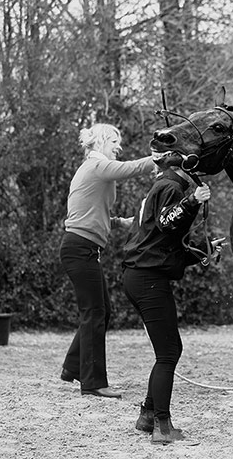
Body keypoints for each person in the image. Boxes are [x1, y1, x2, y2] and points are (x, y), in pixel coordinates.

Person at [121, 148, 226, 444]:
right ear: (185, 166)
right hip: (147, 279)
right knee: (168, 353)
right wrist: (193, 200)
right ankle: (162, 427)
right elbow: (169, 221)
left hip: (139, 276)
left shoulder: (162, 186)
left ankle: (147, 415)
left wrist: (205, 249)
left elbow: (165, 242)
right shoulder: (170, 187)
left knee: (168, 350)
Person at [59, 123, 155, 399]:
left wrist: (116, 222)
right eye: (114, 141)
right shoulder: (96, 165)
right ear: (100, 141)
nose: (119, 146)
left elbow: (85, 211)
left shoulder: (92, 170)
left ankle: (72, 367)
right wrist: (161, 158)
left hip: (82, 248)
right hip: (80, 249)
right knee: (94, 313)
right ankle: (92, 383)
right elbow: (131, 169)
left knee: (101, 310)